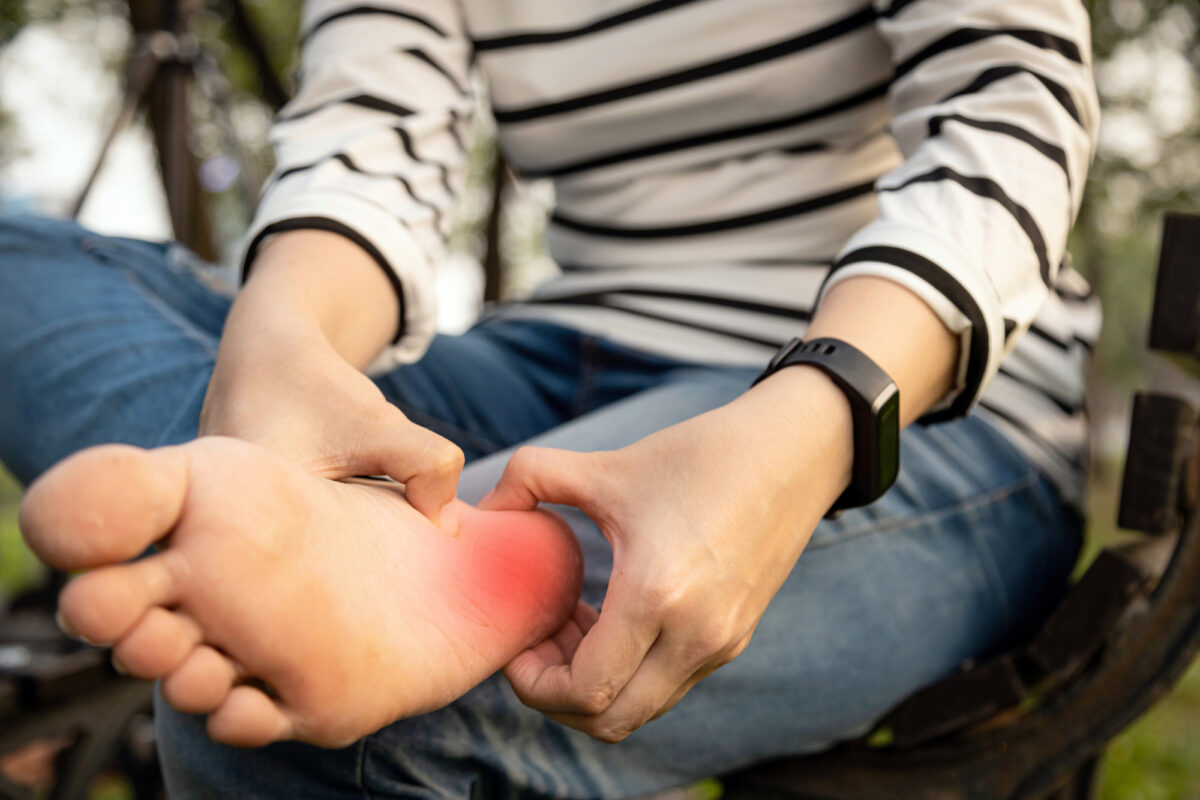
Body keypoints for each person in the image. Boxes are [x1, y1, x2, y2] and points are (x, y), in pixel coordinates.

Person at [1, 0, 1102, 796]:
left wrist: (808, 425)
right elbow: (366, 138)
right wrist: (279, 352)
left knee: (305, 726)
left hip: (907, 389)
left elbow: (1009, 103)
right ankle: (293, 502)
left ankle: (383, 563)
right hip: (556, 351)